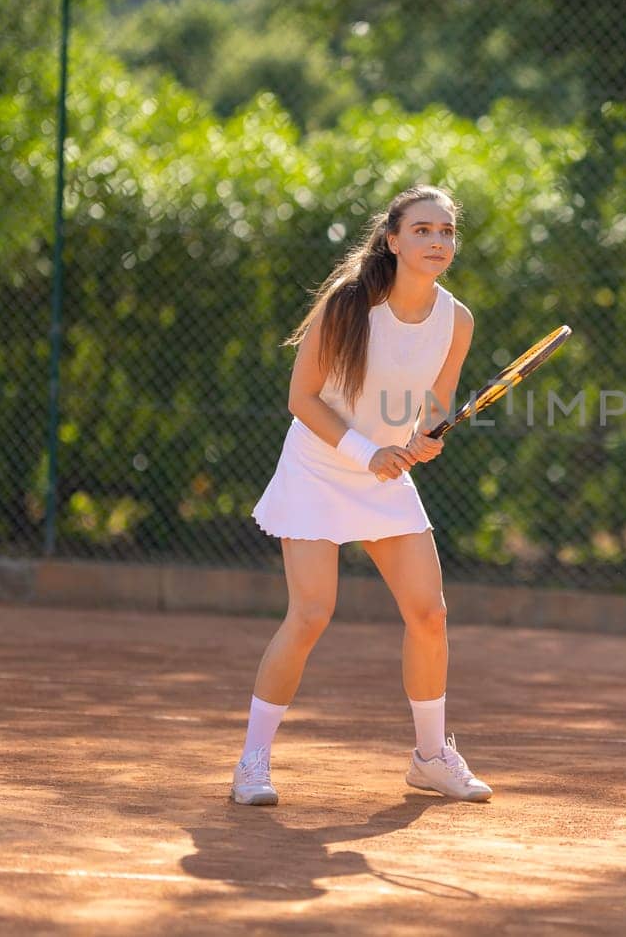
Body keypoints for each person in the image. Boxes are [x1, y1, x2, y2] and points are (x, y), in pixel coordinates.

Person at [231, 184, 490, 805]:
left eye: (447, 232)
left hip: (384, 475)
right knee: (311, 613)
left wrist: (426, 436)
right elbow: (302, 398)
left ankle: (430, 755)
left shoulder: (457, 319)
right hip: (320, 467)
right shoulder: (347, 305)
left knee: (429, 613)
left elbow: (433, 403)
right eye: (423, 230)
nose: (437, 242)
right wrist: (365, 452)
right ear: (393, 240)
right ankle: (252, 762)